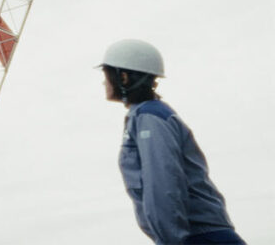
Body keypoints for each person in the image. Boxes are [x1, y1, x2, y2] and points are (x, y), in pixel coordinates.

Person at [100, 39, 245, 245]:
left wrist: (171, 240)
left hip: (199, 237)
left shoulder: (150, 117)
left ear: (123, 77)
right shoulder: (145, 116)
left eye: (107, 76)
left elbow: (162, 183)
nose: (104, 83)